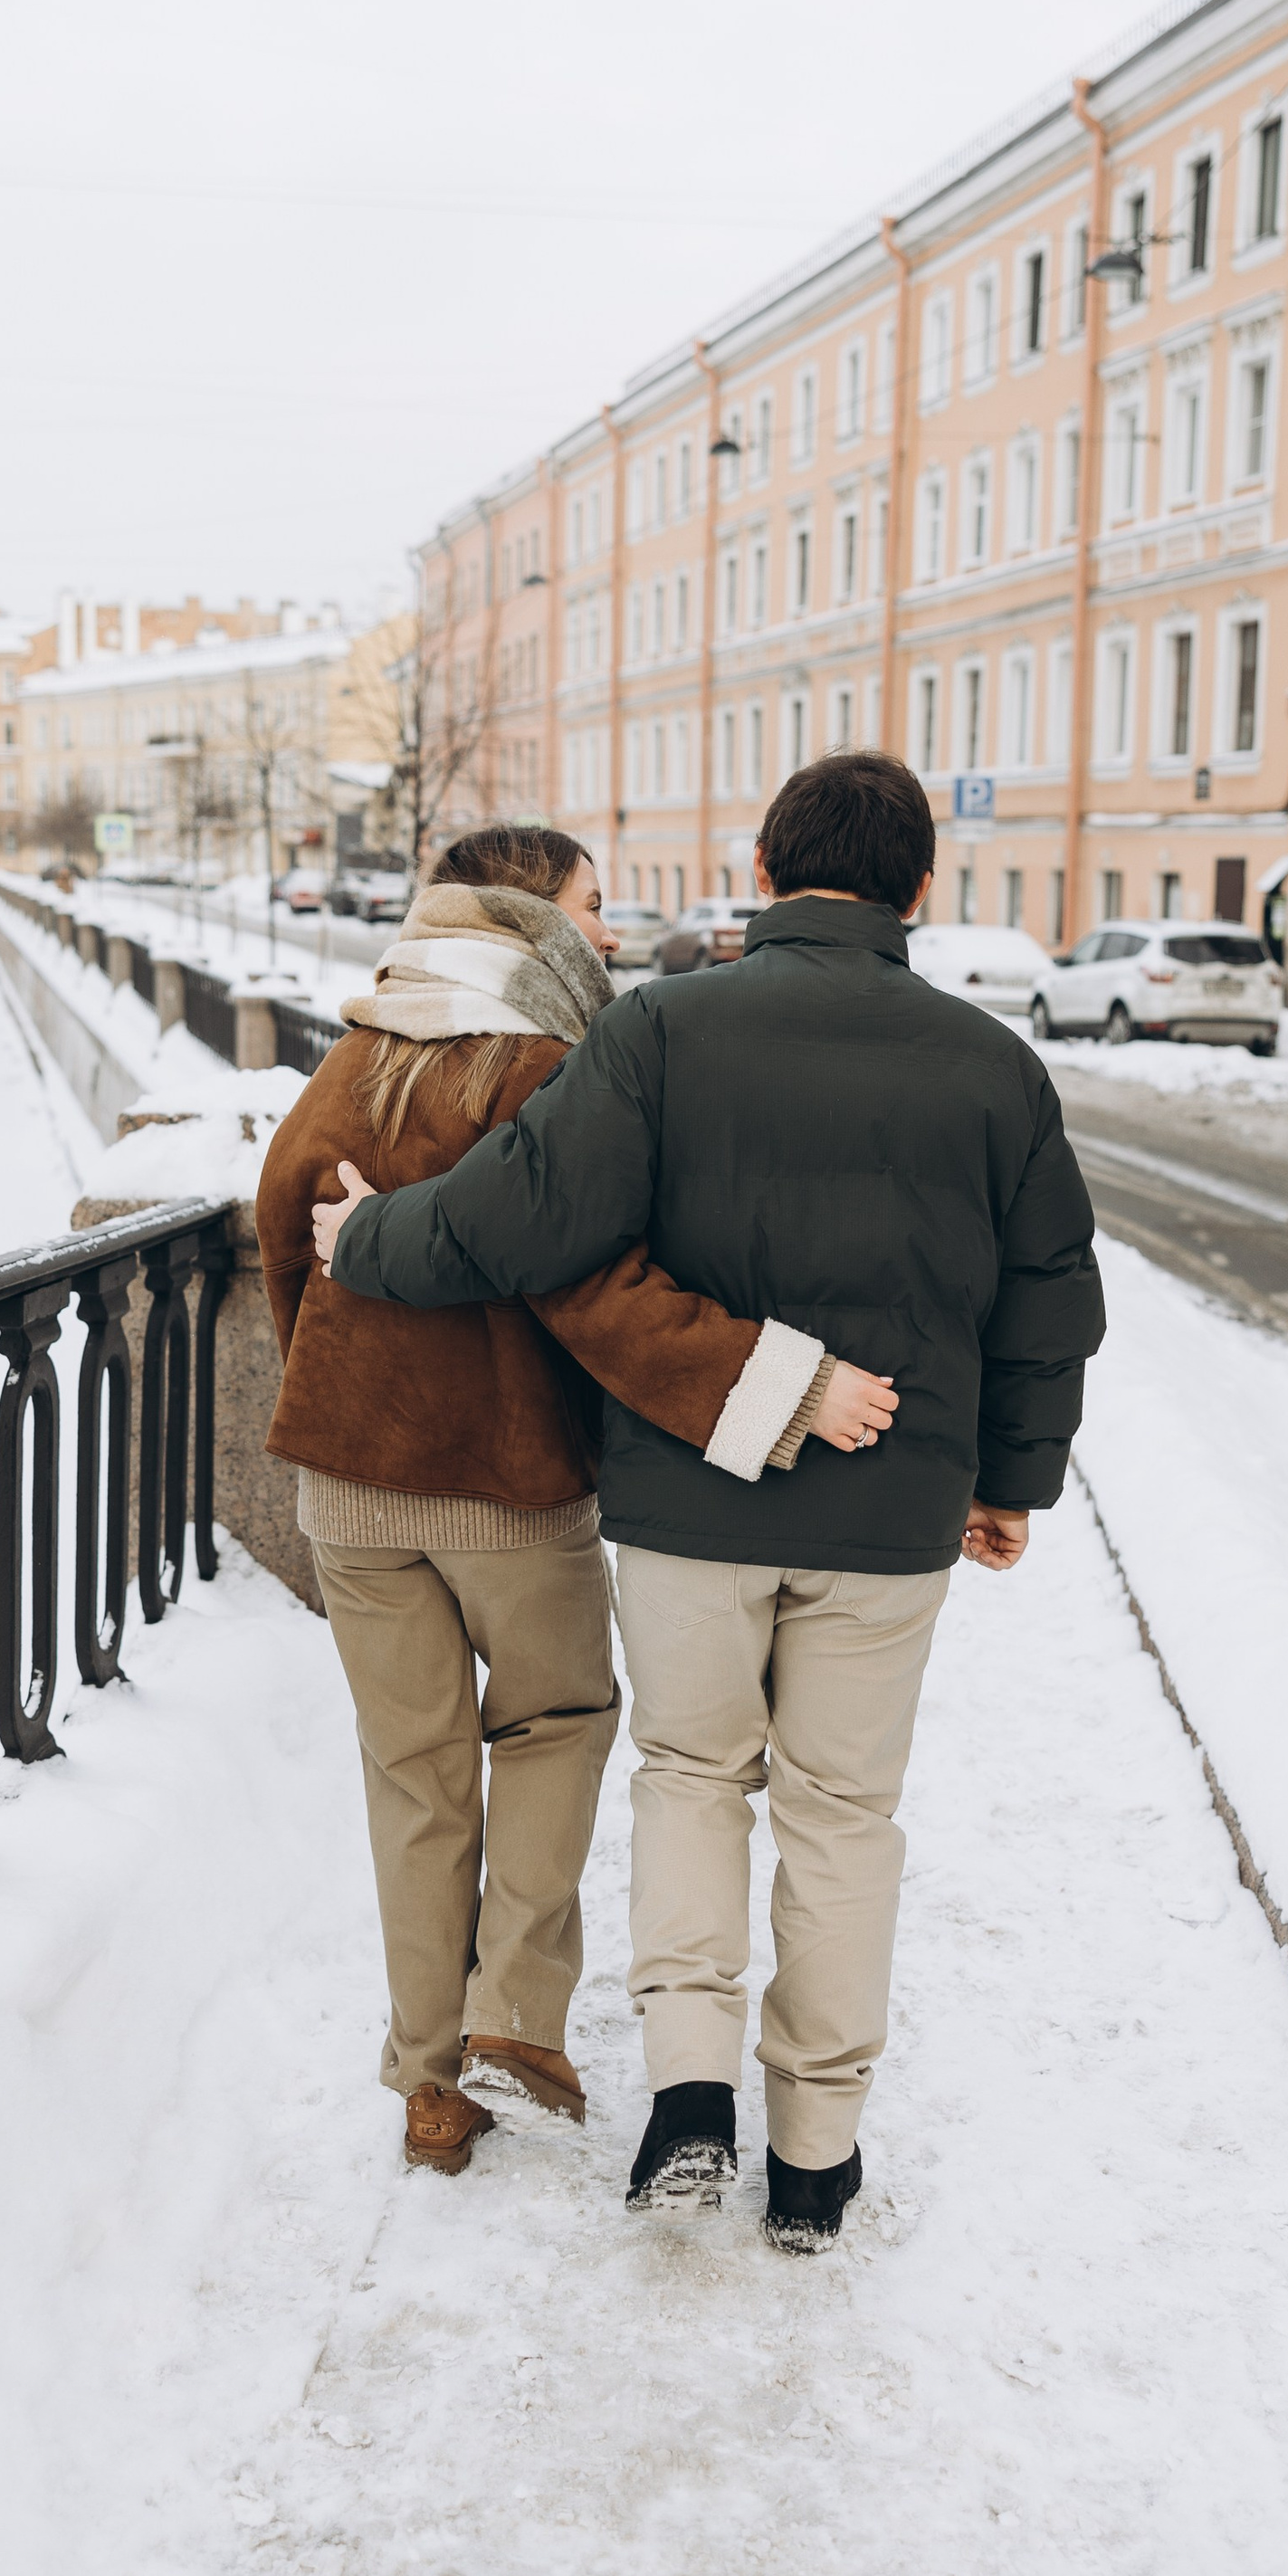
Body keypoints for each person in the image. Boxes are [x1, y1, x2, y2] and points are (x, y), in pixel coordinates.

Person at [313, 754, 1104, 2251]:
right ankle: (816, 2153)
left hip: (690, 1511)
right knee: (844, 1819)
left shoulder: (664, 1029)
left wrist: (369, 1241)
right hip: (892, 1519)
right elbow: (1049, 1299)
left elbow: (519, 1218)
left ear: (760, 865)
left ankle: (690, 2100)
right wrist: (1011, 1482)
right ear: (919, 889)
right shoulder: (994, 1065)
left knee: (689, 1779)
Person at [257, 823, 896, 2180]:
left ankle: (428, 2089)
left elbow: (277, 1228)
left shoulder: (360, 1043)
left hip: (346, 1483)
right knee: (555, 1721)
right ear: (532, 918)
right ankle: (515, 2020)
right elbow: (591, 1282)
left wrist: (337, 1382)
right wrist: (772, 1387)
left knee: (415, 1777)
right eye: (593, 910)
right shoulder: (548, 1065)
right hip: (505, 1476)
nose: (609, 935)